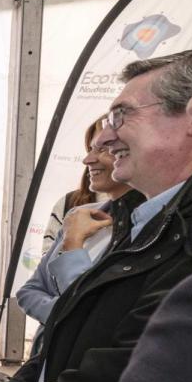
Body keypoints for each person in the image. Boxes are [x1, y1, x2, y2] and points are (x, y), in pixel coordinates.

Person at [0, 46, 192, 382]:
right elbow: (65, 325)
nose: (106, 136)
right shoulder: (136, 216)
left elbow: (124, 364)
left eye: (121, 115)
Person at [17, 115, 136, 326]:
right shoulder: (78, 215)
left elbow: (90, 315)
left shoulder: (150, 225)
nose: (88, 159)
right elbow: (28, 291)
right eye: (90, 149)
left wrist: (73, 245)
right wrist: (66, 313)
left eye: (102, 149)